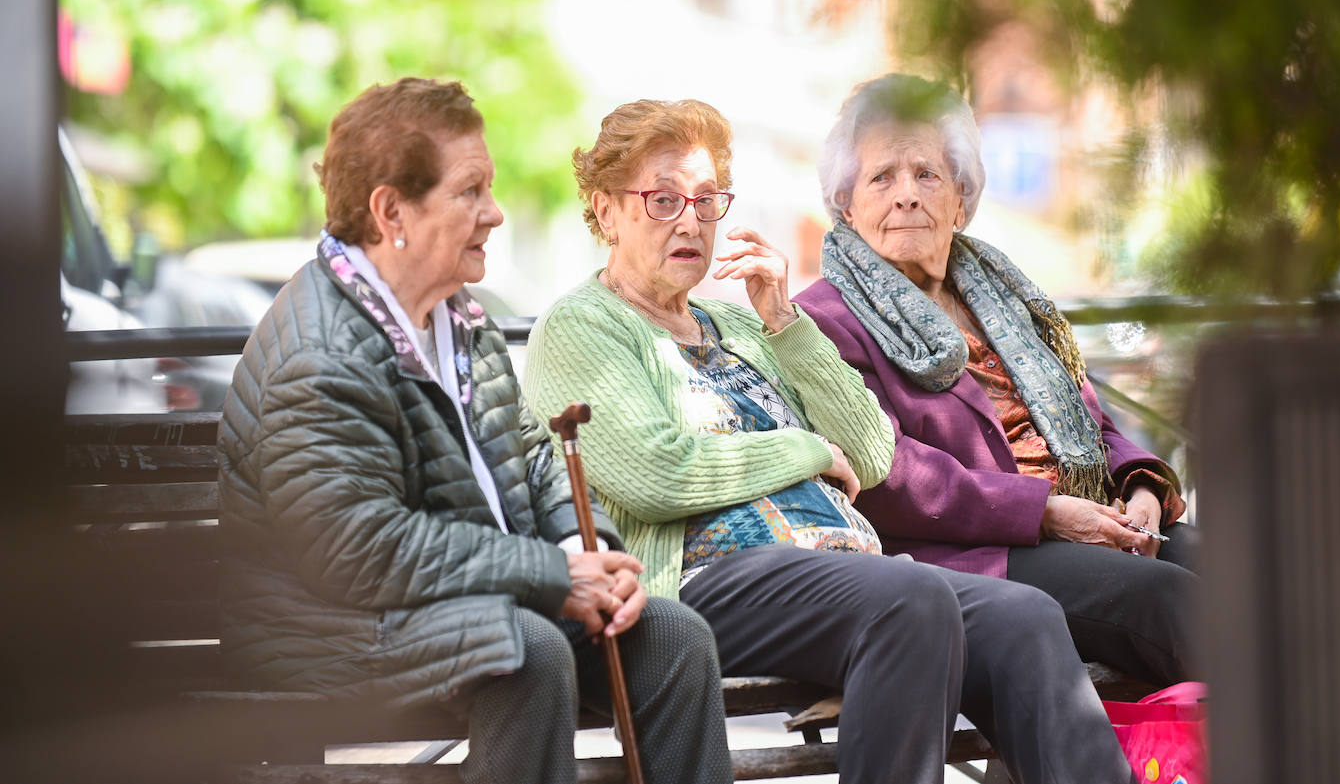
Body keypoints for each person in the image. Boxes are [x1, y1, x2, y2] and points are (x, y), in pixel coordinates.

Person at [525, 98, 1134, 784]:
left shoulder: (744, 323)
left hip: (834, 568)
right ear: (606, 210)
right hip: (700, 577)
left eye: (706, 200)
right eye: (663, 199)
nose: (691, 219)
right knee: (911, 601)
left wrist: (787, 321)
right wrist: (807, 452)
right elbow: (657, 473)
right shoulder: (582, 324)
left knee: (1022, 616)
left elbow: (871, 451)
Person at [217, 78, 731, 784]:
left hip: (472, 598)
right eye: (469, 192)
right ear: (390, 210)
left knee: (673, 635)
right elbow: (362, 550)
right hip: (326, 626)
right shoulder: (320, 354)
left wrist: (590, 555)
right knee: (527, 650)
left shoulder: (459, 318)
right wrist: (551, 576)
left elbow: (533, 455)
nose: (493, 213)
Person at [794, 73, 1201, 687]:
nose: (906, 195)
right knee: (1177, 603)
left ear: (961, 198)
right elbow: (889, 476)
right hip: (983, 553)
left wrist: (1142, 489)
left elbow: (1090, 420)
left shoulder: (1003, 297)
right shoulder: (823, 319)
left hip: (1095, 517)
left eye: (927, 174)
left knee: (1256, 577)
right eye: (882, 176)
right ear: (847, 205)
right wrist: (1045, 512)